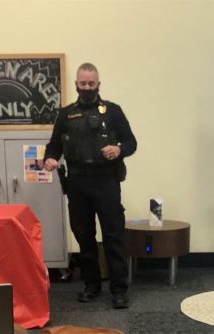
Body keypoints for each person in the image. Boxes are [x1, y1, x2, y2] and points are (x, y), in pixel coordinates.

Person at [44, 62, 137, 309]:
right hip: (77, 183)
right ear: (76, 84)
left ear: (98, 85)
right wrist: (50, 159)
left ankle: (119, 290)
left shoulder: (113, 111)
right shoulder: (65, 114)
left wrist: (118, 149)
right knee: (84, 237)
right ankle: (91, 285)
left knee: (113, 236)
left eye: (91, 84)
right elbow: (53, 146)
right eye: (83, 84)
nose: (87, 87)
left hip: (106, 181)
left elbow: (131, 142)